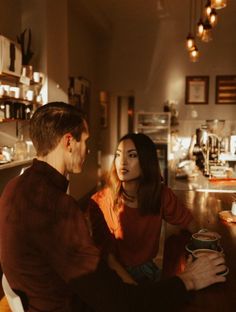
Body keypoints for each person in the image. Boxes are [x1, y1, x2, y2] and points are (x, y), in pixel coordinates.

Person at [0, 102, 226, 312]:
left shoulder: (13, 187)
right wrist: (189, 279)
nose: (87, 150)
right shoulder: (58, 206)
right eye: (85, 141)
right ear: (69, 142)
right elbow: (116, 300)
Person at [88, 133, 212, 284]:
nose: (122, 162)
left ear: (146, 161)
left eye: (132, 155)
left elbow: (187, 221)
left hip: (147, 272)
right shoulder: (100, 202)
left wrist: (209, 246)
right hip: (114, 276)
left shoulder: (161, 195)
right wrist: (139, 293)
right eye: (118, 155)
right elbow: (108, 258)